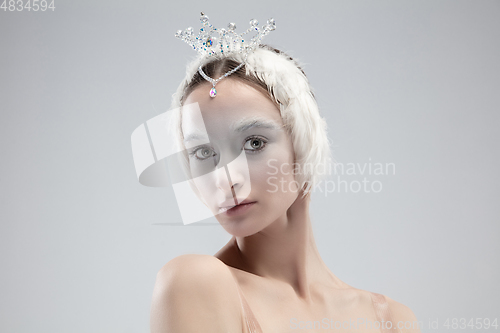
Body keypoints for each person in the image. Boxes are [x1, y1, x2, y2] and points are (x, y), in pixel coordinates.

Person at [149, 14, 421, 333]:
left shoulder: (391, 320)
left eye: (253, 142)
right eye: (203, 153)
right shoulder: (194, 282)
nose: (226, 178)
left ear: (303, 141)